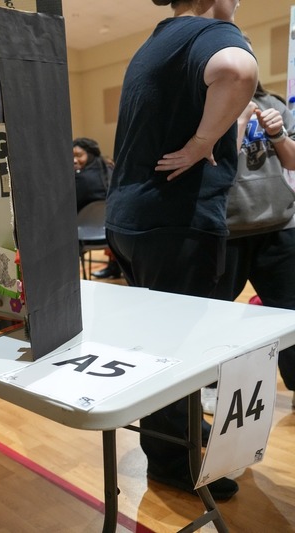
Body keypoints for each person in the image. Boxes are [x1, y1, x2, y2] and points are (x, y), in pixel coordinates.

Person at [104, 0, 257, 501]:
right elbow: (237, 70)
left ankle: (177, 434)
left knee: (155, 343)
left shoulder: (156, 42)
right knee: (177, 352)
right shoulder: (210, 34)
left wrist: (208, 136)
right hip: (175, 222)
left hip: (132, 218)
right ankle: (172, 460)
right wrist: (201, 142)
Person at [208, 76, 295, 410]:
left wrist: (278, 134)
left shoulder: (274, 104)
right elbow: (210, 164)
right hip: (225, 230)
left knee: (290, 313)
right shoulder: (206, 107)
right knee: (213, 316)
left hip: (279, 225)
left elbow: (292, 161)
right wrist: (240, 121)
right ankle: (209, 386)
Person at [72, 137, 120, 278]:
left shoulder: (79, 180)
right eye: (72, 156)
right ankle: (115, 266)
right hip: (111, 235)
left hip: (84, 236)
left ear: (90, 154)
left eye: (79, 155)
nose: (74, 160)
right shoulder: (111, 171)